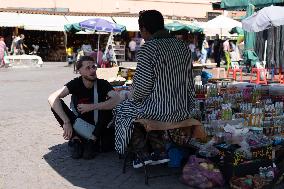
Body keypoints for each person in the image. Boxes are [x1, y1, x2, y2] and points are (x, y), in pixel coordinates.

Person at [113, 10, 195, 168]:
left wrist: (128, 94)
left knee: (123, 108)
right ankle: (159, 150)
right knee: (145, 107)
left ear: (144, 29)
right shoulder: (183, 47)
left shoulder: (148, 49)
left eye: (141, 31)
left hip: (161, 112)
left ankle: (141, 153)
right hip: (184, 109)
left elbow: (141, 89)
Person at [48, 56, 121, 159]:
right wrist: (66, 121)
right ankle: (76, 139)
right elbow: (52, 97)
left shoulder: (102, 83)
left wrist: (92, 107)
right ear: (80, 71)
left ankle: (92, 141)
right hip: (80, 124)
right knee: (56, 104)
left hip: (99, 126)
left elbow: (117, 99)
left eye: (94, 67)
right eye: (88, 68)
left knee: (108, 105)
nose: (92, 70)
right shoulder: (75, 83)